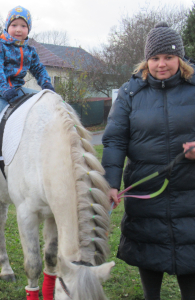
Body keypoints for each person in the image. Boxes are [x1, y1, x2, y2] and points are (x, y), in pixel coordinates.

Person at [102, 22, 195, 300]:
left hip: (190, 192)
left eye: (168, 57)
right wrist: (110, 183)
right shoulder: (130, 94)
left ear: (180, 57)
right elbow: (115, 140)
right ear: (146, 60)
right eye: (155, 58)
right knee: (149, 255)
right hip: (147, 194)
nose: (161, 64)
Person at [0, 5, 54, 181]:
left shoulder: (30, 50)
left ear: (29, 29)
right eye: (14, 25)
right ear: (7, 26)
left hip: (17, 90)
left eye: (23, 26)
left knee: (42, 101)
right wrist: (5, 91)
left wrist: (47, 85)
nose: (18, 29)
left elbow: (39, 69)